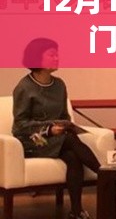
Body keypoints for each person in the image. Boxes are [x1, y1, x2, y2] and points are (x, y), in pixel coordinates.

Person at [12, 38, 101, 219]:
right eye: (52, 55)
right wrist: (48, 130)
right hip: (33, 141)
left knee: (73, 157)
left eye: (57, 54)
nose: (57, 58)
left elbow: (64, 116)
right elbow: (20, 125)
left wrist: (65, 125)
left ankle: (76, 211)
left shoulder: (59, 85)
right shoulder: (24, 87)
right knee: (69, 140)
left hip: (57, 139)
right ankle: (106, 175)